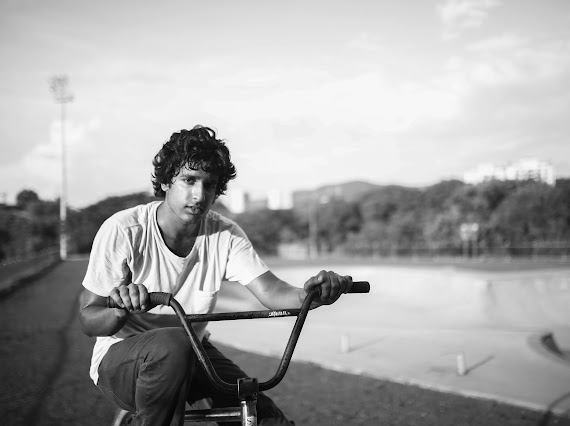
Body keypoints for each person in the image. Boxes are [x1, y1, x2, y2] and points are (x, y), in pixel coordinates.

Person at [78, 125, 352, 426]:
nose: (199, 195)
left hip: (193, 352)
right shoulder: (125, 230)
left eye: (209, 185)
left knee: (262, 415)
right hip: (123, 359)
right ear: (167, 180)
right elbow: (89, 319)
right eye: (189, 180)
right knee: (174, 345)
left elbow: (272, 291)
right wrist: (118, 310)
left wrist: (313, 294)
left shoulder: (225, 234)